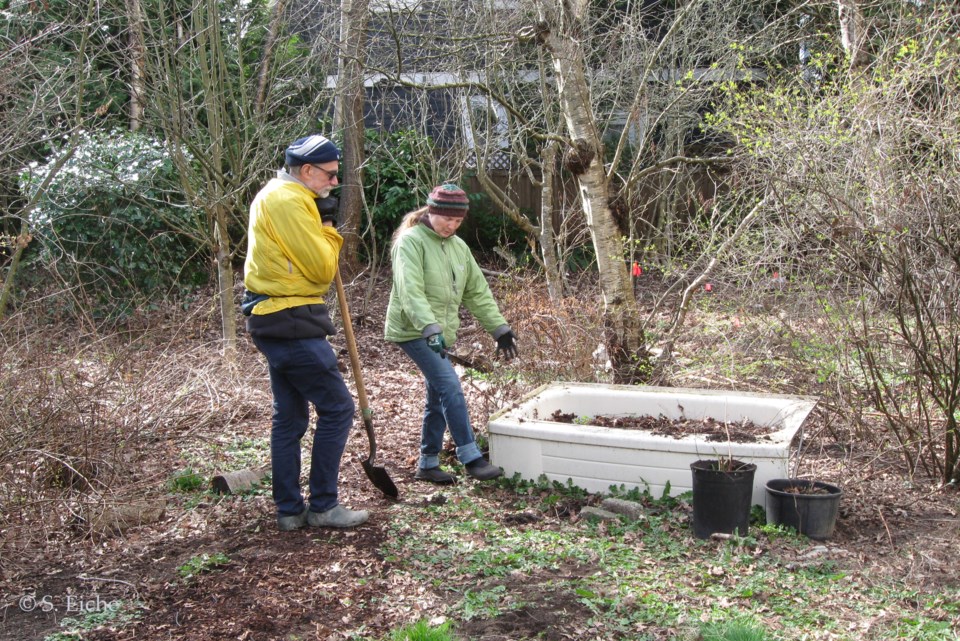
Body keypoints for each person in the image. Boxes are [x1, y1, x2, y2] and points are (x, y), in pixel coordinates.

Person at [243, 134, 368, 531]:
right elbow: (320, 270)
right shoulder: (288, 199)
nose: (334, 183)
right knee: (338, 408)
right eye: (330, 176)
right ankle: (323, 506)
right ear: (308, 171)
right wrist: (329, 226)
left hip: (274, 314)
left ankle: (288, 511)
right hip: (290, 317)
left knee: (290, 417)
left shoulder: (278, 194)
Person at [384, 183, 519, 485]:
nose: (451, 225)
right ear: (431, 211)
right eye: (446, 219)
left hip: (439, 334)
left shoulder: (458, 247)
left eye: (457, 221)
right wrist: (429, 328)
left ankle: (428, 463)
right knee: (449, 385)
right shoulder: (411, 241)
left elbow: (477, 292)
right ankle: (470, 456)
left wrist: (499, 329)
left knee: (437, 396)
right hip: (412, 330)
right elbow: (410, 291)